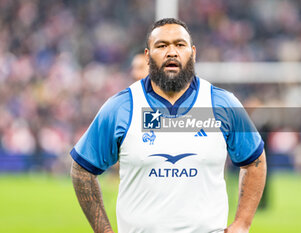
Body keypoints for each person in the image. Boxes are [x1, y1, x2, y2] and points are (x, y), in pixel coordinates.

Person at [70, 18, 266, 233]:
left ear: (192, 52)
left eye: (179, 45)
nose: (171, 52)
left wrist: (242, 223)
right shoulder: (121, 107)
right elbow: (82, 170)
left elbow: (255, 161)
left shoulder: (222, 103)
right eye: (162, 46)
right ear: (147, 56)